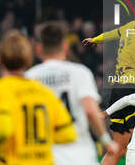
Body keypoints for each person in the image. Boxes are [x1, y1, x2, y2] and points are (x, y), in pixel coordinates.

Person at [82, 3, 135, 165]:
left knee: (118, 148)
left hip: (118, 90)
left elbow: (113, 33)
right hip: (131, 91)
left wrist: (96, 39)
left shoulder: (130, 27)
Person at [0, 30, 76, 165]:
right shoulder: (44, 91)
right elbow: (68, 134)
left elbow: (3, 129)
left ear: (0, 60)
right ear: (28, 60)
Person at [26, 22, 118, 165]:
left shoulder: (29, 77)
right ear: (65, 46)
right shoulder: (80, 72)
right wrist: (106, 141)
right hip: (78, 152)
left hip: (43, 154)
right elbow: (90, 110)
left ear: (38, 49)